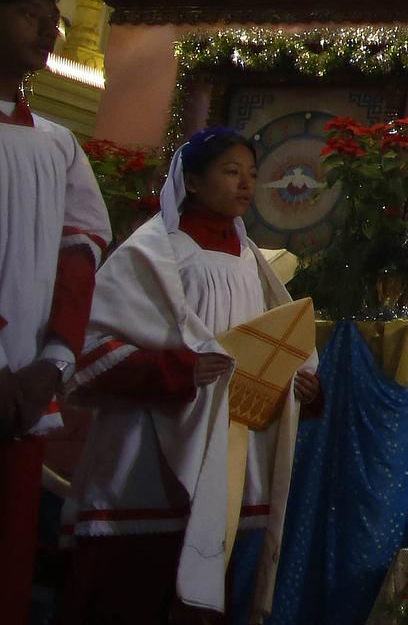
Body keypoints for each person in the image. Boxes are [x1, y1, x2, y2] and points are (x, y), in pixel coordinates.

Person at [62, 129, 320, 621]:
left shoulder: (251, 263)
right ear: (194, 181)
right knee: (124, 594)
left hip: (221, 450)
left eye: (251, 174)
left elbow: (273, 345)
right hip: (145, 450)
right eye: (231, 171)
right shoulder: (155, 252)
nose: (246, 184)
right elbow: (91, 348)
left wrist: (297, 383)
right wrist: (180, 369)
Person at [0, 0, 108, 622]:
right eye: (31, 12)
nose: (50, 28)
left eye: (55, 17)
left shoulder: (58, 145)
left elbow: (81, 254)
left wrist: (55, 357)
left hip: (26, 390)